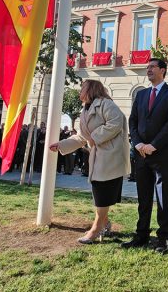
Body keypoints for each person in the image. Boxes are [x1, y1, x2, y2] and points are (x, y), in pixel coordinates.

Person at [50, 80, 131, 244]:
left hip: (110, 157)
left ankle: (95, 229)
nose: (80, 90)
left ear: (91, 89)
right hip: (98, 157)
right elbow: (81, 136)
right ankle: (105, 223)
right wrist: (62, 144)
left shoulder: (107, 104)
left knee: (102, 193)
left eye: (83, 88)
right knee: (100, 192)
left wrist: (94, 138)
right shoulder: (85, 109)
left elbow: (115, 123)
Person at [123, 58, 168, 254]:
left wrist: (153, 145)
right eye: (147, 67)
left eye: (152, 67)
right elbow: (133, 121)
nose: (148, 70)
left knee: (163, 198)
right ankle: (141, 234)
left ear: (162, 71)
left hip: (162, 155)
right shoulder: (141, 94)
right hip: (141, 155)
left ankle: (163, 238)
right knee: (143, 197)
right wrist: (138, 143)